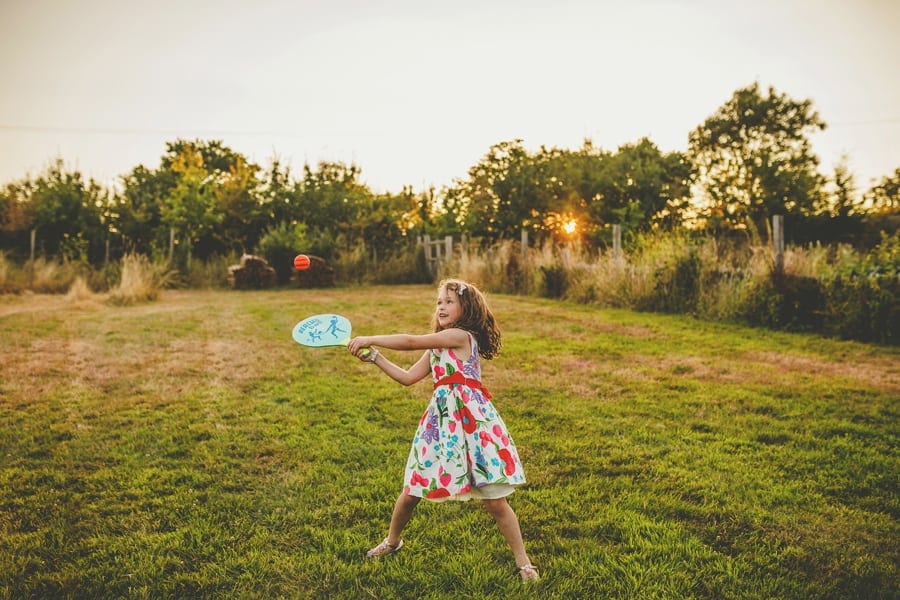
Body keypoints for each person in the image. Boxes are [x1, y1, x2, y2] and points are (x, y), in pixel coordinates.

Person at [347, 278, 539, 582]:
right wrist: (376, 357)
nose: (441, 306)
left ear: (467, 308)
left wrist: (370, 337)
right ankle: (392, 541)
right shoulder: (440, 345)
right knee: (411, 490)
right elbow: (409, 377)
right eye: (439, 302)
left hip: (473, 427)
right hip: (441, 427)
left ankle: (524, 562)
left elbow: (410, 341)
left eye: (449, 301)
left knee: (495, 500)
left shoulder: (460, 336)